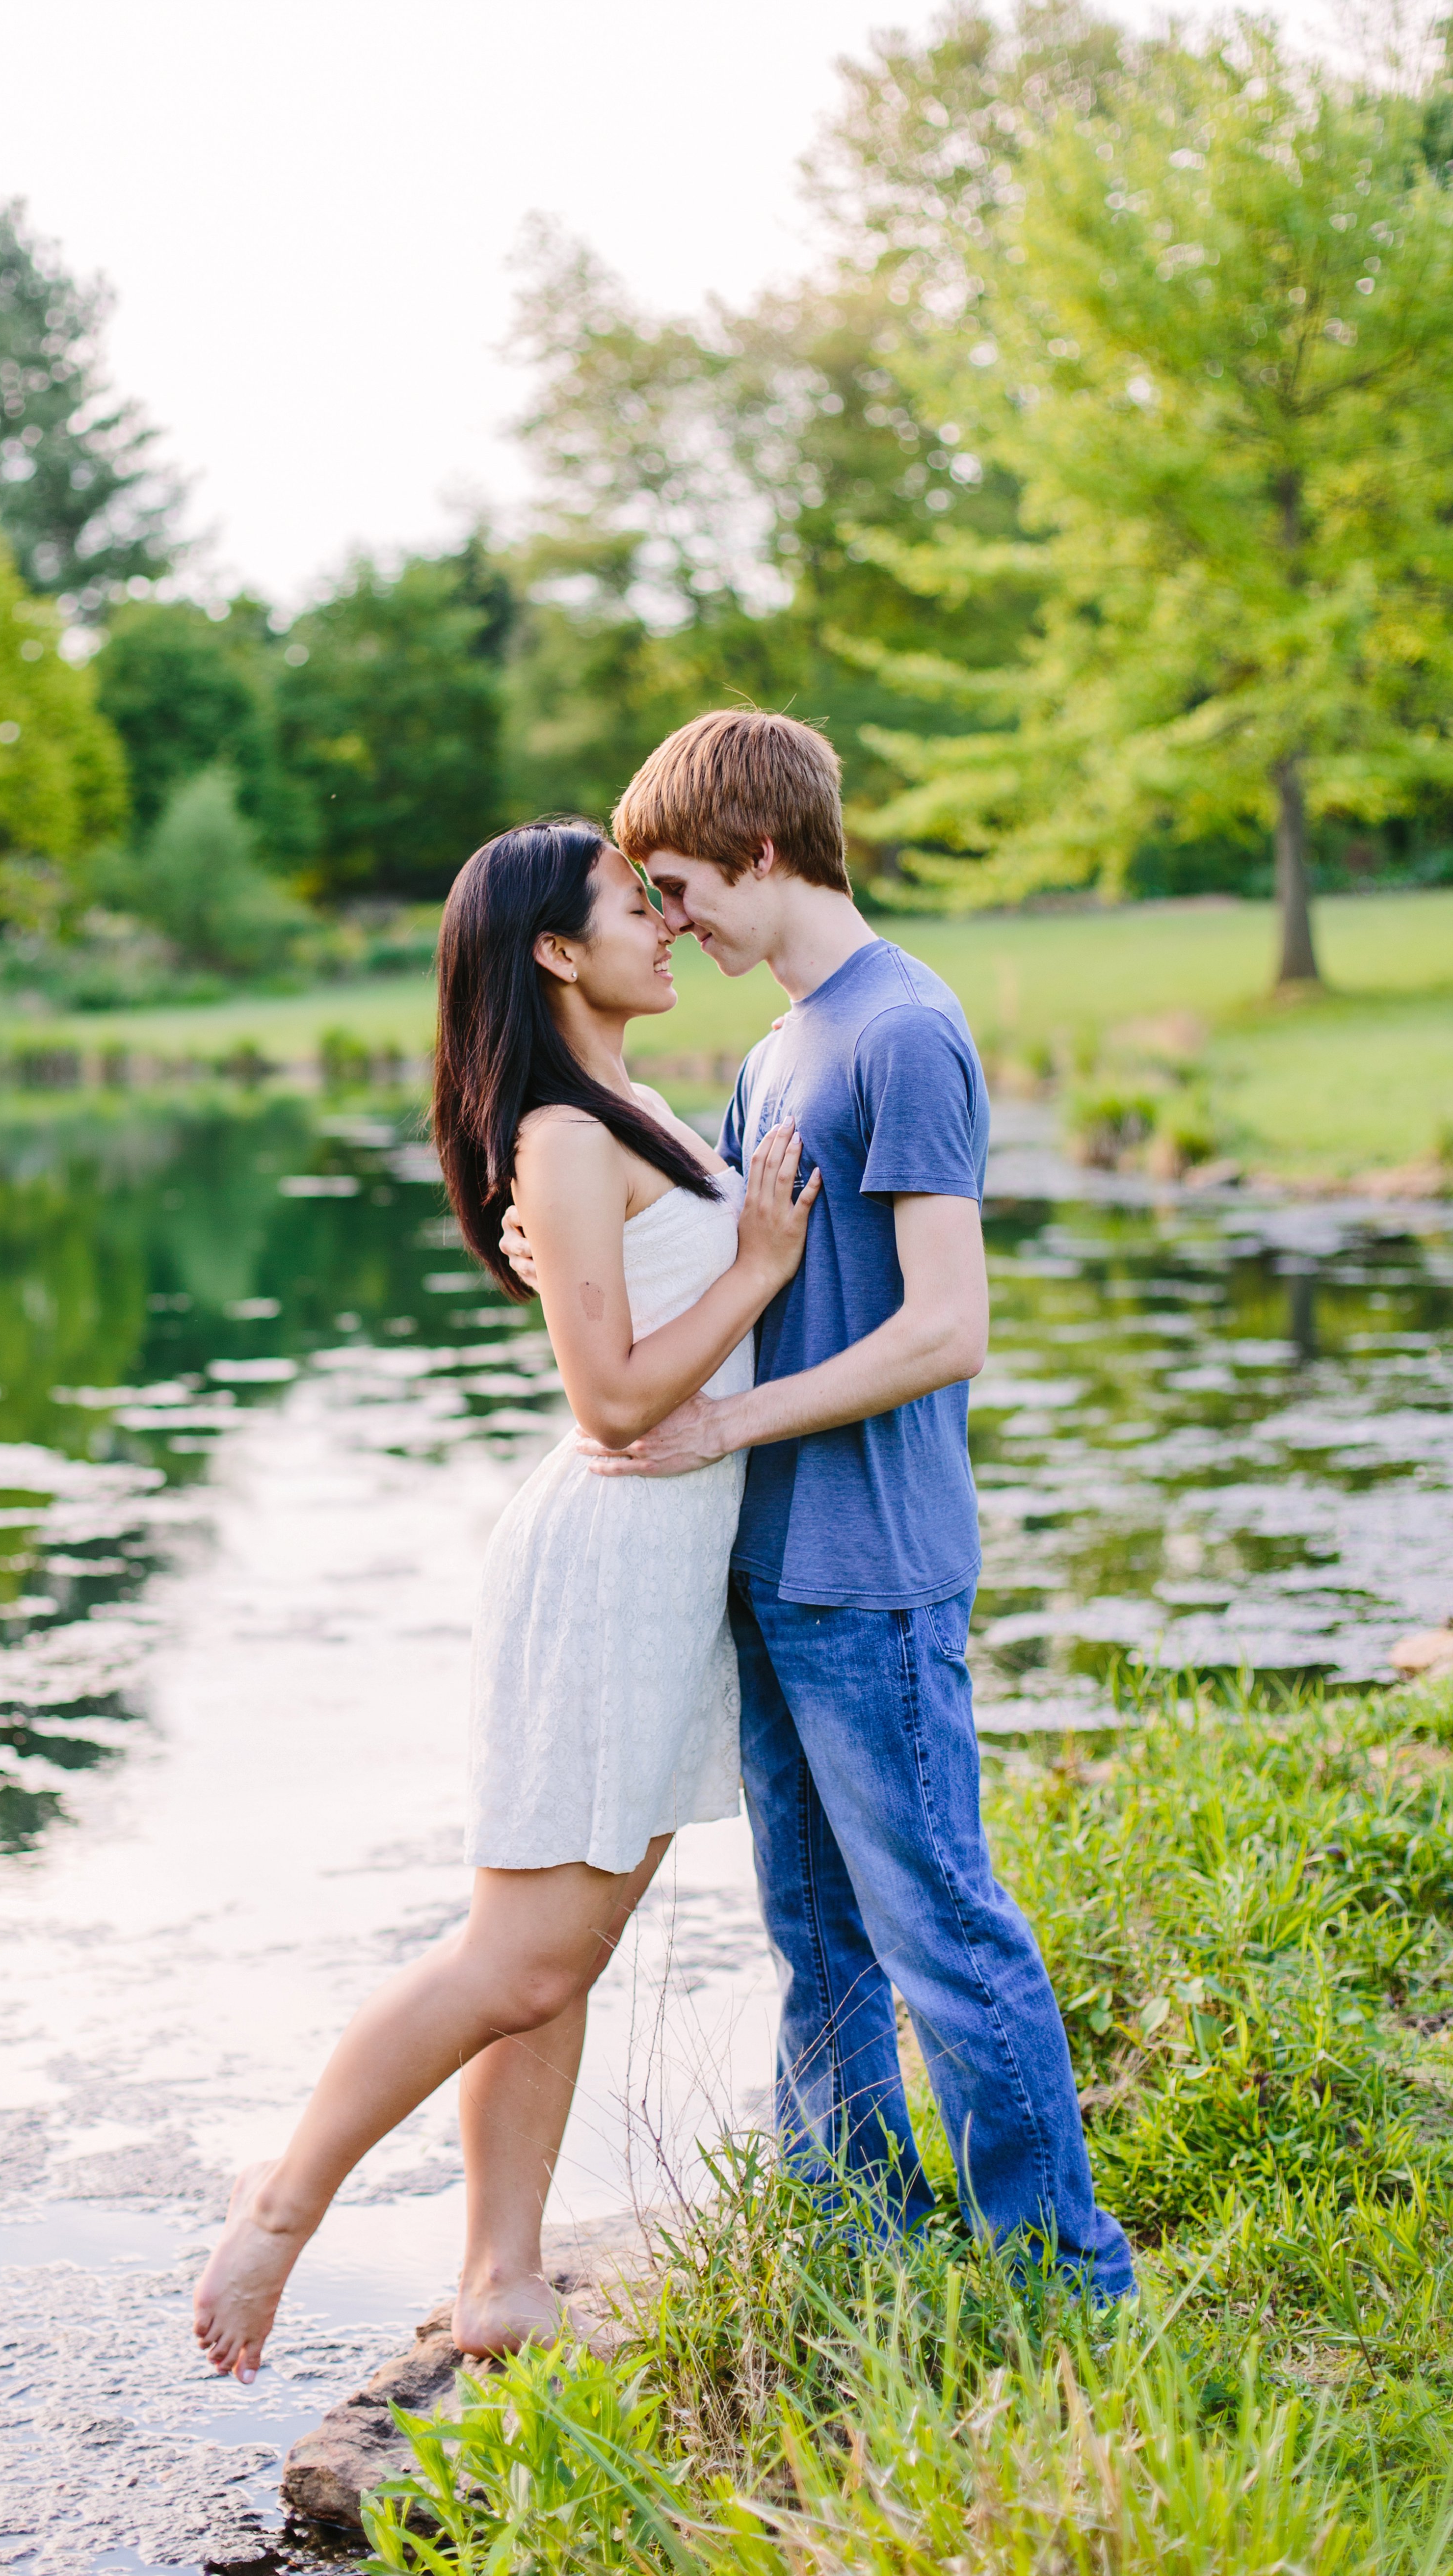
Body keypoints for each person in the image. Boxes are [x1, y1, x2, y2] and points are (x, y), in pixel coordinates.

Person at [502, 712, 1135, 2297]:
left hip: (874, 1564)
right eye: (641, 896)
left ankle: (1065, 2275)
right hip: (766, 1560)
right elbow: (724, 1272)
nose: (666, 920)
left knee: (941, 1930)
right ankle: (863, 2245)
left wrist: (725, 1416)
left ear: (763, 853)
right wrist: (560, 1264)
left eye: (677, 884)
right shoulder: (775, 1049)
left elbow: (944, 1326)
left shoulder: (900, 1030)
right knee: (818, 1940)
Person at [192, 819, 820, 2382]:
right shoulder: (561, 1130)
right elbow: (608, 1399)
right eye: (633, 906)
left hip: (668, 1563)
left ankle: (498, 2277)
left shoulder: (627, 1105)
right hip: (608, 1555)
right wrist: (752, 1266)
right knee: (519, 1958)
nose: (664, 926)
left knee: (562, 1946)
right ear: (555, 946)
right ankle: (281, 2199)